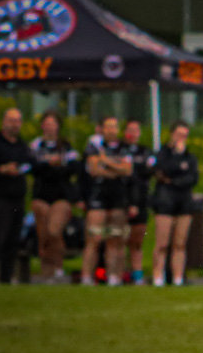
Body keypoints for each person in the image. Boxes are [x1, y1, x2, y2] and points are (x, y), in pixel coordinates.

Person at [81, 115, 134, 286]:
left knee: (115, 239)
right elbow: (94, 170)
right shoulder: (94, 147)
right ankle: (86, 277)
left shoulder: (124, 148)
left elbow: (127, 170)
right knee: (94, 238)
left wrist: (106, 162)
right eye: (108, 126)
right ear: (101, 129)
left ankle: (114, 277)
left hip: (118, 197)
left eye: (114, 126)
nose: (111, 130)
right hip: (98, 196)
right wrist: (115, 168)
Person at [0, 107, 34, 284]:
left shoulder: (22, 145)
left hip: (18, 199)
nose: (15, 124)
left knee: (13, 241)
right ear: (4, 122)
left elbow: (31, 164)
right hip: (0, 200)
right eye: (12, 120)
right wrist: (1, 169)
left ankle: (6, 279)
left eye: (18, 120)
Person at [28, 111, 79, 283]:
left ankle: (58, 267)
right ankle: (47, 271)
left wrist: (54, 168)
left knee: (53, 230)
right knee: (43, 234)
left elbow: (72, 169)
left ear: (58, 126)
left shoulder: (65, 146)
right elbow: (32, 168)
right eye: (47, 123)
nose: (50, 126)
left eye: (53, 123)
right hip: (41, 195)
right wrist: (49, 165)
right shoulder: (35, 145)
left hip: (60, 195)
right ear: (42, 125)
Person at [149, 122, 200, 287]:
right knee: (162, 243)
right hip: (165, 200)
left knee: (180, 243)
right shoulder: (163, 154)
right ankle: (158, 276)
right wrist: (176, 168)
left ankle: (178, 277)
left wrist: (173, 180)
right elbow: (161, 171)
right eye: (178, 134)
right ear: (171, 134)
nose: (181, 138)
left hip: (184, 201)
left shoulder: (190, 157)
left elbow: (192, 178)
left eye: (184, 135)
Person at [121, 119, 152, 283]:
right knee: (120, 238)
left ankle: (137, 275)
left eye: (136, 130)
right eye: (130, 130)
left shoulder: (145, 152)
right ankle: (118, 274)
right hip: (122, 199)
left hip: (141, 199)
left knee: (137, 240)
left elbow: (149, 171)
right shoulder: (119, 150)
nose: (133, 133)